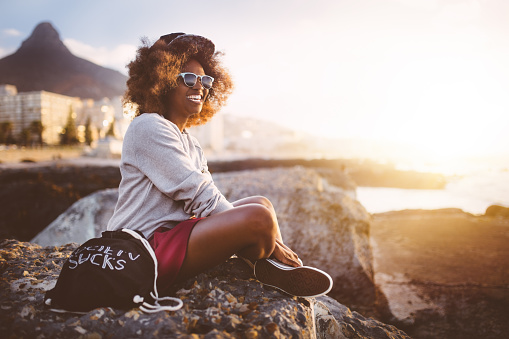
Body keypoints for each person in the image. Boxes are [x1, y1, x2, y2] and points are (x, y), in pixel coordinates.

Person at [107, 32, 332, 298]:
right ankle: (269, 260)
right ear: (163, 80)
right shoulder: (148, 125)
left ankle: (269, 267)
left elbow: (207, 201)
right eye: (189, 78)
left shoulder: (190, 142)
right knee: (259, 220)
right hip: (144, 248)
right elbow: (197, 193)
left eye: (205, 80)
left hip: (176, 235)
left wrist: (250, 228)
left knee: (262, 204)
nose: (199, 86)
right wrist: (270, 241)